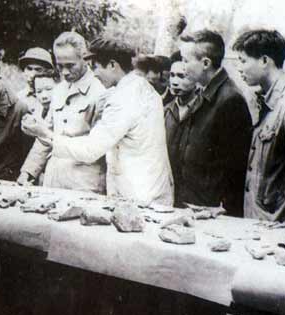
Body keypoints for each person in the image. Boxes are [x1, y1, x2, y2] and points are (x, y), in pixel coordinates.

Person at [23, 37, 173, 205]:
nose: (93, 73)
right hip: (148, 191)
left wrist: (44, 134)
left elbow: (91, 149)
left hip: (139, 195)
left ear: (112, 65)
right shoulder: (141, 88)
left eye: (95, 66)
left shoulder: (123, 98)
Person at [233, 29, 285, 225]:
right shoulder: (261, 99)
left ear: (264, 61)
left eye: (243, 60)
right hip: (257, 222)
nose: (239, 68)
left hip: (279, 228)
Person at [177, 29, 253, 216]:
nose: (182, 66)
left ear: (205, 63)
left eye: (186, 61)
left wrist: (223, 210)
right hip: (194, 204)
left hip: (211, 211)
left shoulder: (230, 100)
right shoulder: (204, 92)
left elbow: (237, 168)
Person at [18, 32, 106, 192]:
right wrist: (28, 172)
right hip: (53, 181)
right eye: (59, 66)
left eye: (70, 65)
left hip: (83, 186)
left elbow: (98, 148)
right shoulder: (58, 91)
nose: (64, 72)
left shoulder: (100, 93)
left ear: (86, 59)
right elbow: (45, 136)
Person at [164, 61, 199, 206]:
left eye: (181, 76)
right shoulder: (166, 111)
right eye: (172, 75)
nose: (175, 82)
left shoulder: (202, 109)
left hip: (195, 194)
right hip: (170, 189)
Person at [17, 47, 55, 116]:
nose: (32, 74)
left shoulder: (56, 95)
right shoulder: (19, 98)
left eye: (38, 70)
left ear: (47, 73)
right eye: (29, 69)